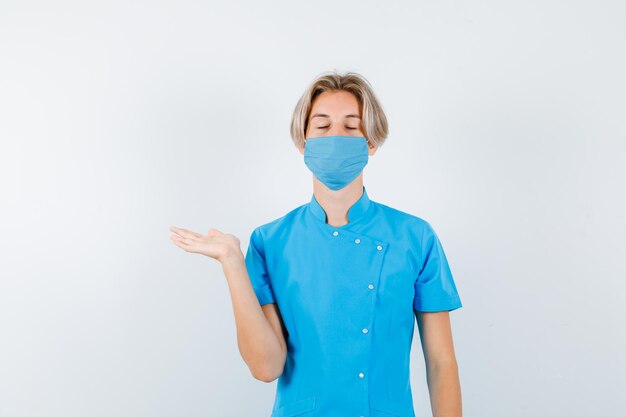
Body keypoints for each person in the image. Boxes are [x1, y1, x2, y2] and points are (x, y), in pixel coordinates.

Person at [170, 70, 463, 417]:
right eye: (322, 127)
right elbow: (266, 366)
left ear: (371, 142)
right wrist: (233, 262)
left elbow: (442, 363)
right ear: (302, 142)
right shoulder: (269, 242)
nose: (335, 136)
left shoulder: (415, 237)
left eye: (351, 126)